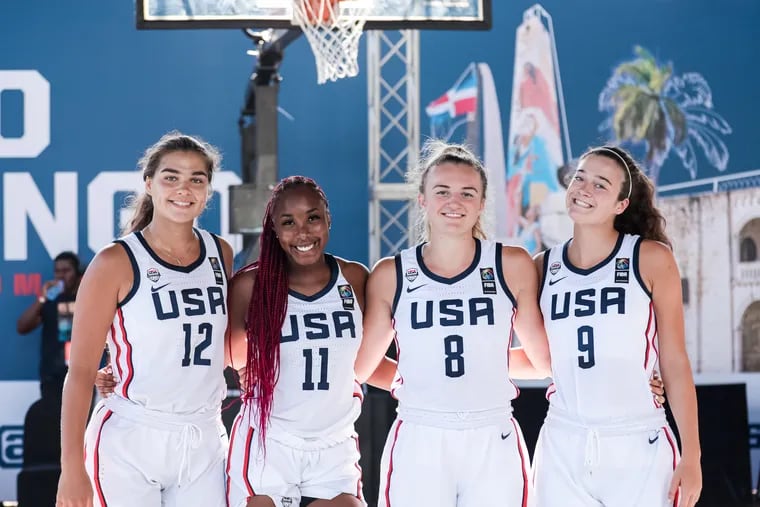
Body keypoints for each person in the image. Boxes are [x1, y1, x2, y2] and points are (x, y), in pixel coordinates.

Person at [354, 140, 553, 507]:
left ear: (481, 203)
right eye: (442, 191)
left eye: (467, 193)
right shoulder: (392, 274)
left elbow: (543, 362)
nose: (454, 202)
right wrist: (412, 376)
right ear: (422, 199)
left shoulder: (511, 264)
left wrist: (487, 364)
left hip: (493, 434)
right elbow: (363, 367)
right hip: (419, 435)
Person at [56, 132, 234, 507]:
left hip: (203, 437)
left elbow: (215, 342)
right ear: (149, 183)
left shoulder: (221, 253)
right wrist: (72, 467)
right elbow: (81, 371)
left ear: (207, 190)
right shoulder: (114, 262)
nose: (183, 189)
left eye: (196, 179)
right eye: (171, 177)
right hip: (130, 438)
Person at [531, 145, 701, 507]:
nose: (584, 188)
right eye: (580, 177)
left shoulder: (650, 258)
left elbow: (674, 361)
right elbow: (539, 358)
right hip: (563, 442)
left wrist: (692, 455)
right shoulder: (542, 267)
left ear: (620, 205)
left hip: (639, 441)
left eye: (600, 185)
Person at [225, 175, 395, 507]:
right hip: (269, 442)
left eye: (312, 217)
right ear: (274, 229)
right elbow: (223, 355)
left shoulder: (355, 278)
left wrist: (424, 389)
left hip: (334, 444)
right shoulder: (251, 286)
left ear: (328, 218)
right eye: (288, 222)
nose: (303, 232)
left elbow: (364, 366)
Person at [17, 251, 82, 401]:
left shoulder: (87, 298)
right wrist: (42, 298)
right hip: (52, 377)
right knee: (50, 423)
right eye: (57, 271)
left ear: (77, 274)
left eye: (66, 271)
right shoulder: (49, 301)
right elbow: (22, 327)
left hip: (81, 376)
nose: (61, 276)